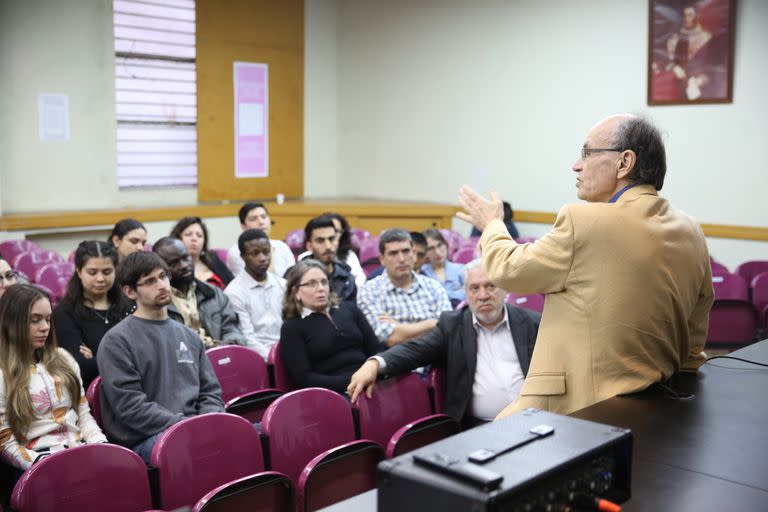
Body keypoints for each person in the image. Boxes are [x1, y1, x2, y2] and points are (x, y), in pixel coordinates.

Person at [458, 114, 714, 416]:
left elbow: (508, 270)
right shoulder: (690, 229)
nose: (576, 165)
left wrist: (491, 225)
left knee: (490, 444)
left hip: (579, 410)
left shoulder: (585, 221)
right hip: (659, 402)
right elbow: (696, 328)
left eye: (586, 153)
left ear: (624, 162)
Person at [348, 260, 540, 428]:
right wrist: (375, 363)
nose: (483, 295)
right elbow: (416, 350)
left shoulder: (532, 323)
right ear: (466, 293)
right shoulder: (453, 325)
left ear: (504, 288)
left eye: (490, 286)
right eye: (474, 288)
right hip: (478, 428)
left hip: (532, 420)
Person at [97, 252, 224, 463]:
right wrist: (186, 426)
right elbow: (131, 407)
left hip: (192, 428)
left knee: (246, 433)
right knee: (195, 450)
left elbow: (210, 391)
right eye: (150, 281)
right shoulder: (116, 341)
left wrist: (208, 421)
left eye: (163, 276)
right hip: (146, 438)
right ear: (130, 291)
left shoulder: (189, 335)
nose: (162, 285)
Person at [0, 284, 106, 476]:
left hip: (80, 451)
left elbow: (83, 414)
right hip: (36, 463)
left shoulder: (63, 358)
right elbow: (5, 442)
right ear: (10, 322)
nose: (45, 328)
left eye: (48, 319)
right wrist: (41, 464)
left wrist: (100, 443)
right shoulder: (2, 372)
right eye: (35, 320)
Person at [279, 259, 381, 394]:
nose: (320, 288)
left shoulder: (349, 309)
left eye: (324, 282)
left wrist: (372, 373)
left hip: (371, 381)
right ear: (296, 292)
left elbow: (375, 349)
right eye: (311, 284)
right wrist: (353, 382)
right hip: (333, 393)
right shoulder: (292, 327)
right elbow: (304, 378)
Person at [357, 229, 452, 346]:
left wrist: (399, 327)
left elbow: (448, 329)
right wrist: (433, 323)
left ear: (414, 254)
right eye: (393, 253)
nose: (401, 259)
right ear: (382, 260)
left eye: (406, 251)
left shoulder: (434, 287)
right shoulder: (369, 291)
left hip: (435, 359)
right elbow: (390, 339)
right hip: (394, 360)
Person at [53, 241, 126, 389]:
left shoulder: (127, 305)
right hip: (94, 394)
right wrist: (127, 356)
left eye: (107, 272)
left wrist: (96, 358)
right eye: (92, 272)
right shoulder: (65, 313)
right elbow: (80, 367)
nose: (100, 279)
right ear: (79, 271)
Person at [153, 237, 245, 349]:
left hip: (219, 356)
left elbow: (232, 329)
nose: (184, 266)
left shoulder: (213, 293)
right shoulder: (157, 301)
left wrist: (225, 347)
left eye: (186, 258)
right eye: (174, 263)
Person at [224, 229, 286, 359]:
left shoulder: (283, 284)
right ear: (242, 257)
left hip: (287, 351)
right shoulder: (234, 292)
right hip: (257, 359)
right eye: (255, 253)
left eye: (266, 252)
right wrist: (274, 357)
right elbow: (247, 338)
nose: (262, 258)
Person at [226, 202, 295, 278]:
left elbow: (293, 277)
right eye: (253, 219)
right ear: (243, 226)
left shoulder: (282, 246)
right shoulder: (237, 251)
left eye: (264, 217)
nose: (261, 222)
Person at [300, 215, 357, 302]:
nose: (328, 246)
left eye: (332, 239)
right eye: (320, 240)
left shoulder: (347, 278)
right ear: (309, 246)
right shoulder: (296, 277)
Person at [170, 216, 234, 289]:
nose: (194, 239)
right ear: (177, 239)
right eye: (188, 234)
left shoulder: (213, 259)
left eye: (199, 235)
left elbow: (233, 284)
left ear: (204, 242)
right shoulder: (173, 268)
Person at [421, 228, 466, 305]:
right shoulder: (422, 272)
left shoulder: (461, 269)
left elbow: (469, 294)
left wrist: (438, 294)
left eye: (439, 245)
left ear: (446, 245)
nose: (437, 252)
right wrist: (457, 293)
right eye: (431, 248)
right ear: (425, 252)